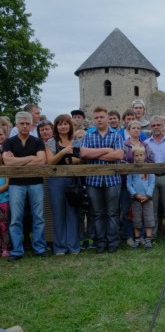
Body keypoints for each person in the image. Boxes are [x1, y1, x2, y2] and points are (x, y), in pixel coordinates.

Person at [2, 111, 48, 261]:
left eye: (27, 123)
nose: (24, 126)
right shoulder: (9, 142)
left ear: (31, 124)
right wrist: (30, 157)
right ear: (16, 124)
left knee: (39, 217)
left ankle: (39, 248)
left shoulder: (37, 141)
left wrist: (17, 160)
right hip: (16, 184)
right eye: (21, 123)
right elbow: (8, 162)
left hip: (36, 182)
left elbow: (41, 161)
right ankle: (17, 250)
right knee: (16, 218)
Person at [80, 106, 125, 253]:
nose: (99, 120)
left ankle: (112, 242)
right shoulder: (88, 134)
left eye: (102, 117)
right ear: (94, 119)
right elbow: (83, 153)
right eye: (96, 117)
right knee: (97, 213)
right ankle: (100, 242)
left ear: (107, 118)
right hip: (93, 181)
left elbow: (119, 155)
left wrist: (95, 155)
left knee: (112, 213)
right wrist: (106, 151)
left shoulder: (116, 135)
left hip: (112, 180)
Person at [45, 114, 81, 255]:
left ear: (70, 125)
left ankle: (73, 246)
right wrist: (64, 152)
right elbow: (51, 161)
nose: (63, 126)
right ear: (56, 127)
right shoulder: (51, 142)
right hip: (56, 180)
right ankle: (60, 247)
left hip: (73, 179)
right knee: (58, 213)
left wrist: (72, 160)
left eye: (66, 123)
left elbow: (82, 159)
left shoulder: (76, 140)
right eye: (60, 124)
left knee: (72, 212)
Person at [145, 115, 165, 241]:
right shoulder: (146, 143)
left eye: (158, 125)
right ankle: (153, 233)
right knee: (152, 207)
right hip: (152, 177)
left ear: (162, 126)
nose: (156, 127)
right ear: (150, 128)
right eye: (153, 125)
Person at [126, 147, 155, 250]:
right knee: (136, 219)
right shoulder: (131, 169)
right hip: (136, 199)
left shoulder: (149, 168)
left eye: (141, 155)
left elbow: (151, 183)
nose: (139, 157)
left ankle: (148, 240)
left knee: (149, 219)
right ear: (133, 157)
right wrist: (135, 194)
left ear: (145, 155)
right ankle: (137, 240)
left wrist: (148, 195)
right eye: (136, 155)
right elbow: (129, 184)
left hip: (148, 198)